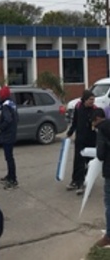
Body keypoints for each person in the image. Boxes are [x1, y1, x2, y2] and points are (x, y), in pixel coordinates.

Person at [67, 90, 98, 195]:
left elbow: (97, 124)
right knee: (78, 161)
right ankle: (76, 181)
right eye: (90, 100)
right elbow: (75, 121)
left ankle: (84, 183)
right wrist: (70, 132)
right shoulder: (78, 107)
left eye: (93, 100)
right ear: (85, 99)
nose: (92, 102)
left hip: (91, 140)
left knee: (89, 163)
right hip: (80, 139)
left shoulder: (95, 109)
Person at [92, 109, 110, 248]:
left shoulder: (102, 130)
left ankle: (109, 236)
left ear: (97, 119)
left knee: (109, 204)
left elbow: (101, 154)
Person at [0, 85, 19, 190]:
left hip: (7, 135)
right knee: (9, 157)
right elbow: (16, 118)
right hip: (12, 133)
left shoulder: (5, 106)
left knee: (9, 158)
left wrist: (1, 128)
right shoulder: (12, 103)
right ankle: (10, 175)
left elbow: (8, 119)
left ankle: (13, 179)